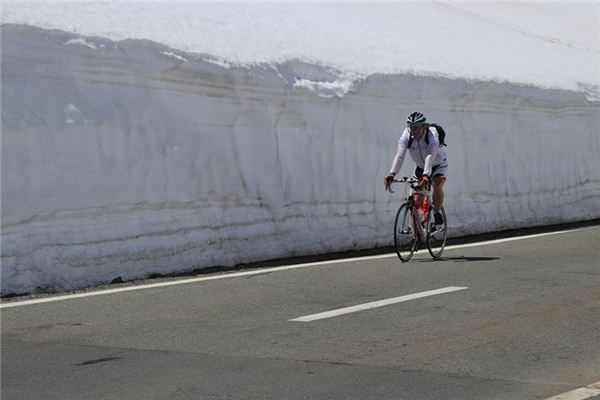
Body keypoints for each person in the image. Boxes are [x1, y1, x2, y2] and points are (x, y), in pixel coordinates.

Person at [384, 112, 448, 225]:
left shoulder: (432, 134)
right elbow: (400, 155)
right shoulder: (407, 135)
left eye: (416, 128)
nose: (414, 131)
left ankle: (437, 213)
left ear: (424, 126)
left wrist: (426, 175)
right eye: (411, 128)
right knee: (416, 202)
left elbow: (430, 156)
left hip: (438, 164)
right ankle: (417, 235)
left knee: (437, 184)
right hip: (420, 167)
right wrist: (392, 173)